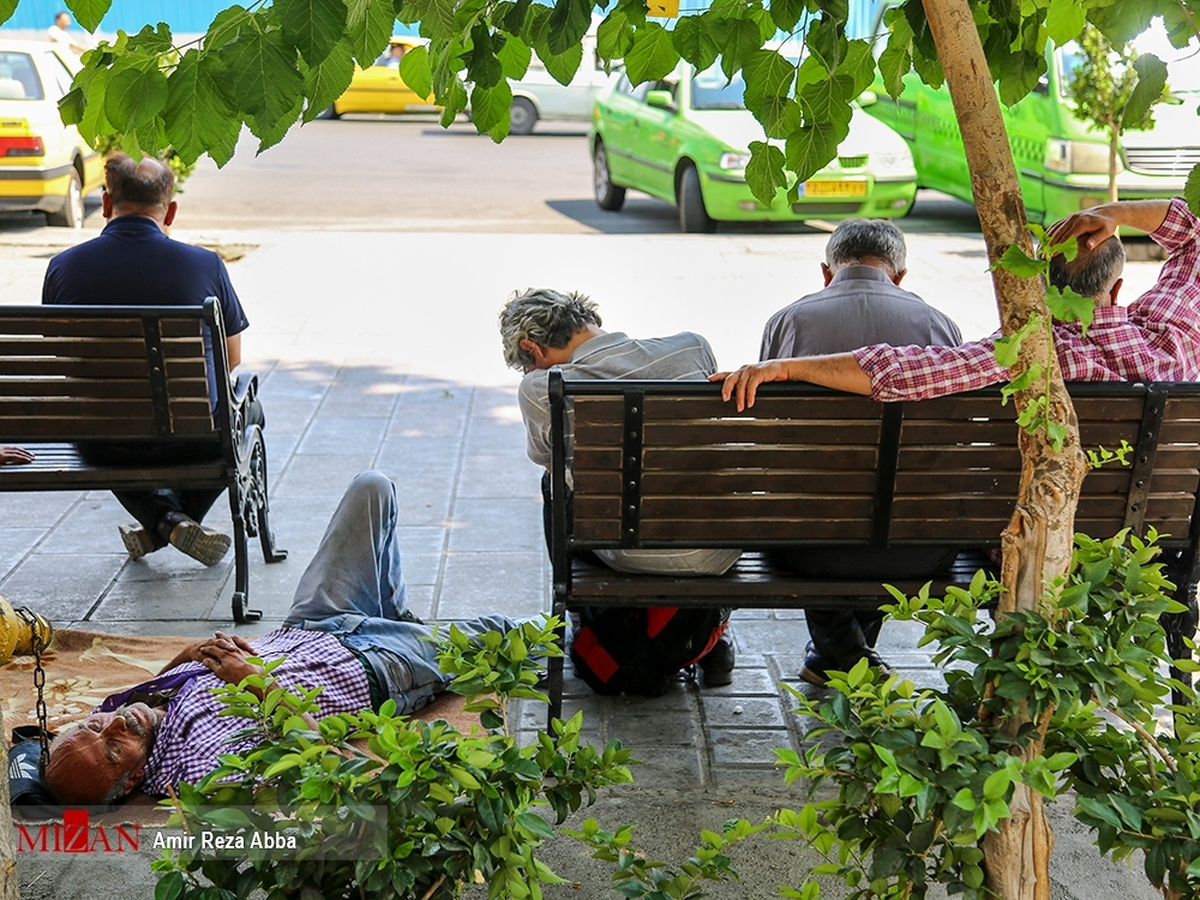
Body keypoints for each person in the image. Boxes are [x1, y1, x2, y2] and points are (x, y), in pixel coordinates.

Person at [38, 471, 523, 805]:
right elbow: (322, 757)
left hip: (313, 622)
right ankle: (410, 637)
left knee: (372, 488)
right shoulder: (196, 771)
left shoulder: (118, 712)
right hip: (377, 666)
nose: (114, 725)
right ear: (131, 782)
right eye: (113, 748)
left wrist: (188, 655)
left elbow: (119, 717)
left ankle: (397, 617)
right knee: (509, 634)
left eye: (92, 727)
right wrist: (252, 680)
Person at [716, 198, 1200, 409]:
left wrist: (783, 368)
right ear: (1116, 291)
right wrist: (1115, 214)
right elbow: (1193, 235)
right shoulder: (1172, 336)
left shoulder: (1021, 354)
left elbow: (898, 372)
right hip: (1151, 542)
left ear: (1039, 285)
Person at [759, 219, 963, 686]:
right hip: (918, 546)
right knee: (889, 496)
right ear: (900, 275)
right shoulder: (939, 324)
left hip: (810, 548)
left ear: (826, 273)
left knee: (820, 497)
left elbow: (776, 442)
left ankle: (840, 655)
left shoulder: (787, 322)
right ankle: (842, 656)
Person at [499, 287, 738, 685]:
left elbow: (547, 460)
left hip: (634, 549)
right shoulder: (692, 347)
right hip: (721, 545)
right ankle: (716, 639)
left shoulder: (544, 386)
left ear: (532, 348)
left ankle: (575, 613)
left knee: (554, 484)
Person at [42, 152, 255, 568]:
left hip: (103, 442)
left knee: (108, 432)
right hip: (191, 439)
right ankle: (172, 523)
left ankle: (163, 523)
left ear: (106, 204)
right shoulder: (205, 264)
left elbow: (60, 353)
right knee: (248, 410)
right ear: (170, 210)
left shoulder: (63, 268)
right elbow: (231, 359)